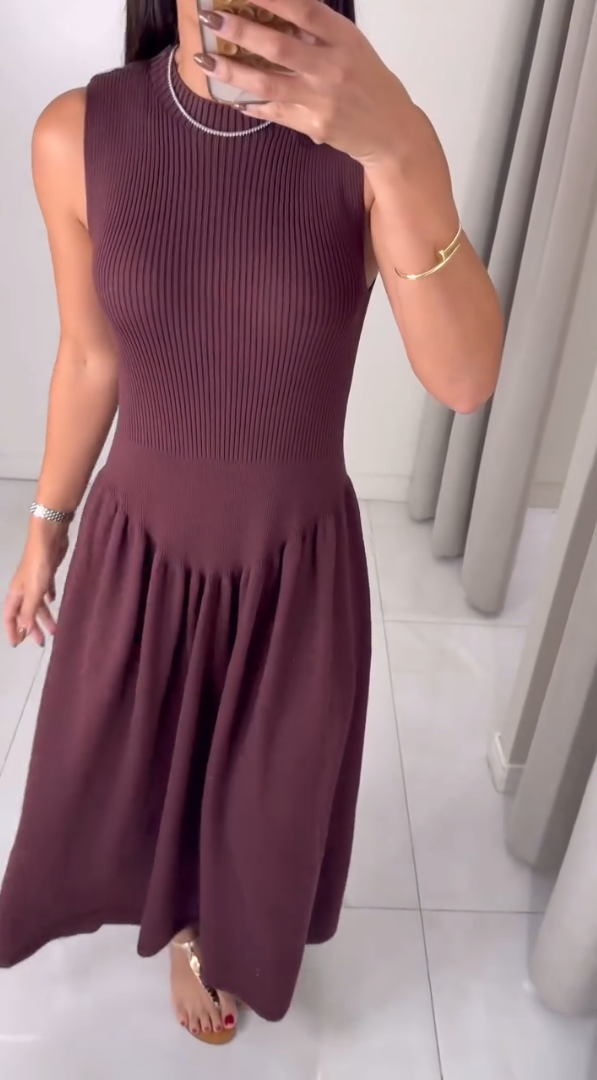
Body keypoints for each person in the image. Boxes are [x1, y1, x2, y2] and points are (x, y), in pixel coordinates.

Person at [0, 0, 503, 1047]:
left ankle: (211, 929)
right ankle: (176, 919)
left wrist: (399, 145)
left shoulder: (371, 138)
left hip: (292, 571)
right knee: (122, 782)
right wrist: (47, 520)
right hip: (138, 555)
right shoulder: (75, 133)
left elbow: (465, 379)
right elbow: (89, 353)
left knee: (259, 809)